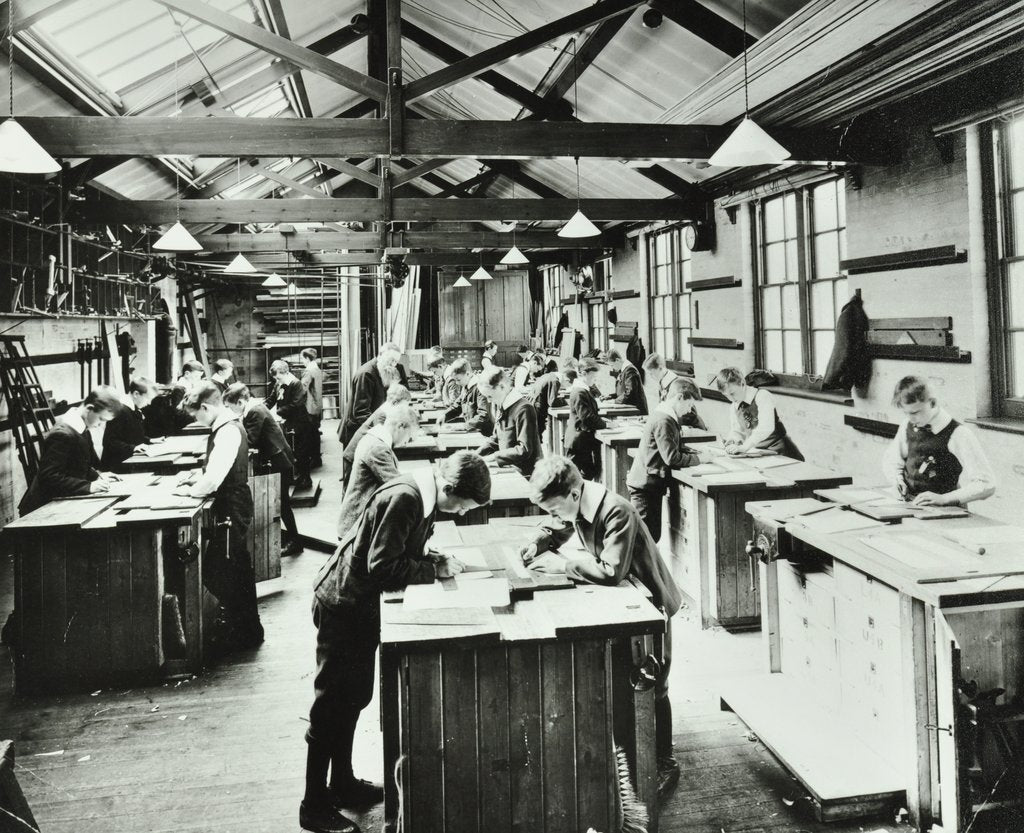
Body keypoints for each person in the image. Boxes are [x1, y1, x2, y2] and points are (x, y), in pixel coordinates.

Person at [301, 452, 490, 833]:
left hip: (358, 608)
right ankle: (313, 805)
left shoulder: (424, 493)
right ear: (452, 489)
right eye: (466, 506)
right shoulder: (407, 497)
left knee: (354, 697)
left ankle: (342, 783)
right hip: (343, 605)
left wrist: (432, 557)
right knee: (331, 706)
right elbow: (382, 565)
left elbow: (400, 546)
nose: (464, 513)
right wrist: (433, 569)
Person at [520, 456, 683, 798]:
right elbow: (560, 525)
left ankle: (665, 762)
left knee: (655, 682)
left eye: (554, 508)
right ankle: (633, 748)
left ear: (575, 495)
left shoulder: (616, 511)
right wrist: (538, 540)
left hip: (651, 603)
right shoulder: (579, 503)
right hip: (627, 601)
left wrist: (563, 565)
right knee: (628, 679)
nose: (553, 516)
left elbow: (611, 571)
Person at [176, 383, 263, 653]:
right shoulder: (226, 426)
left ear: (206, 407)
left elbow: (213, 479)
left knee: (221, 570)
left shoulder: (226, 431)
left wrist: (192, 490)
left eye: (195, 415)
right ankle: (245, 628)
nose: (195, 420)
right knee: (234, 567)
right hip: (231, 503)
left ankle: (243, 630)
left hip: (231, 505)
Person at [882, 375, 995, 506]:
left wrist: (944, 499)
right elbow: (892, 460)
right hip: (910, 504)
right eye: (906, 413)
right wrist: (898, 481)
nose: (910, 419)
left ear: (933, 403)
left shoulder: (958, 433)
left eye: (915, 412)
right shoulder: (907, 424)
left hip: (946, 510)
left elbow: (987, 484)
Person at [626, 377, 714, 540]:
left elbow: (671, 447)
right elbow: (671, 457)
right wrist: (700, 459)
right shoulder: (664, 420)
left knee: (649, 537)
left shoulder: (665, 415)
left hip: (648, 484)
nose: (689, 411)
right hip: (646, 487)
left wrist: (691, 453)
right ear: (679, 397)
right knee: (646, 539)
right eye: (689, 405)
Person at [223, 383, 302, 557]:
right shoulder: (254, 408)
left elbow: (251, 439)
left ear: (241, 402)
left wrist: (227, 439)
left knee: (282, 505)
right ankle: (292, 538)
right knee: (282, 504)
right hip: (279, 458)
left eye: (230, 407)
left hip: (279, 460)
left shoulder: (255, 412)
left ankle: (295, 542)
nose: (230, 411)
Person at [19, 385, 122, 516]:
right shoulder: (62, 434)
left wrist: (98, 476)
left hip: (60, 502)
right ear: (89, 409)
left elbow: (77, 464)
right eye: (101, 419)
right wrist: (88, 486)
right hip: (40, 509)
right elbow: (49, 476)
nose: (101, 425)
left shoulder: (81, 428)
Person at [336, 403, 419, 537]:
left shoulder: (376, 439)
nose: (406, 443)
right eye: (409, 437)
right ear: (400, 426)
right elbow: (399, 487)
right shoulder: (377, 448)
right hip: (356, 528)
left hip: (360, 522)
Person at [717, 367, 803, 460]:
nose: (731, 399)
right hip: (760, 452)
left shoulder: (762, 396)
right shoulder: (734, 406)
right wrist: (733, 440)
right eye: (726, 396)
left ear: (742, 384)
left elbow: (765, 428)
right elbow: (738, 431)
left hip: (781, 451)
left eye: (733, 393)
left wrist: (744, 447)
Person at [342, 383, 412, 488]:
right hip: (354, 454)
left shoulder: (387, 409)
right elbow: (381, 441)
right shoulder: (383, 414)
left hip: (361, 452)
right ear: (396, 402)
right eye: (405, 404)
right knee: (353, 488)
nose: (406, 409)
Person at [476, 367, 542, 476]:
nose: (488, 400)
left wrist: (493, 457)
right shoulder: (503, 405)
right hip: (510, 467)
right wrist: (475, 455)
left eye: (489, 396)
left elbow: (524, 449)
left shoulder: (524, 408)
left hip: (526, 473)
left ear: (502, 387)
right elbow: (495, 439)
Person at [266, 359, 315, 491]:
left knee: (301, 452)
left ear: (286, 372)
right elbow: (271, 399)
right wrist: (262, 408)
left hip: (300, 422)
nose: (277, 380)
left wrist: (278, 412)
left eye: (279, 377)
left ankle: (306, 478)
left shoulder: (295, 384)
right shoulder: (278, 384)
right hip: (288, 422)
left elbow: (296, 403)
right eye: (275, 378)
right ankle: (298, 476)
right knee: (292, 452)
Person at [340, 344, 402, 446]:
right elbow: (361, 412)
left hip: (366, 428)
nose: (393, 364)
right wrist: (382, 432)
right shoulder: (366, 374)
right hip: (355, 432)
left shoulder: (380, 370)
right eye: (391, 359)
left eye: (396, 361)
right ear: (380, 355)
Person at [565, 358, 607, 481]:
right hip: (578, 441)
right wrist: (606, 425)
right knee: (571, 478)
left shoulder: (583, 390)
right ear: (583, 374)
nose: (595, 381)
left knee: (588, 473)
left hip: (582, 439)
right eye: (593, 377)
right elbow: (587, 417)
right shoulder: (579, 391)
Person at [101, 377, 156, 467]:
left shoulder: (133, 409)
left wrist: (150, 440)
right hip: (116, 465)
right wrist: (133, 448)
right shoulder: (120, 411)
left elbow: (132, 435)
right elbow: (110, 442)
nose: (149, 403)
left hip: (128, 459)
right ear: (136, 394)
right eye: (148, 398)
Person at [444, 362, 493, 435]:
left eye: (458, 380)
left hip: (482, 434)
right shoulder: (466, 386)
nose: (457, 383)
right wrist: (444, 415)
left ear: (468, 374)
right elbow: (458, 406)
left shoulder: (480, 388)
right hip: (472, 431)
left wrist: (465, 426)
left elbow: (483, 415)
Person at [528, 354, 564, 439]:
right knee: (539, 432)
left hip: (534, 406)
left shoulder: (547, 375)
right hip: (539, 408)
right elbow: (552, 402)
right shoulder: (555, 380)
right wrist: (564, 401)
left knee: (536, 432)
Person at [605, 348, 648, 415]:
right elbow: (622, 392)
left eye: (612, 365)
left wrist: (615, 401)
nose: (612, 368)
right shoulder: (623, 370)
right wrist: (610, 397)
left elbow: (630, 392)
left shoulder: (630, 370)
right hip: (629, 408)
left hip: (637, 410)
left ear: (617, 360)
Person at [301, 348, 324, 469]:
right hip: (317, 405)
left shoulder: (309, 371)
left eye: (303, 359)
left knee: (309, 435)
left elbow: (303, 389)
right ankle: (317, 458)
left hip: (309, 407)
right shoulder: (317, 369)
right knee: (315, 434)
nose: (302, 361)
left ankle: (313, 460)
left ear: (307, 358)